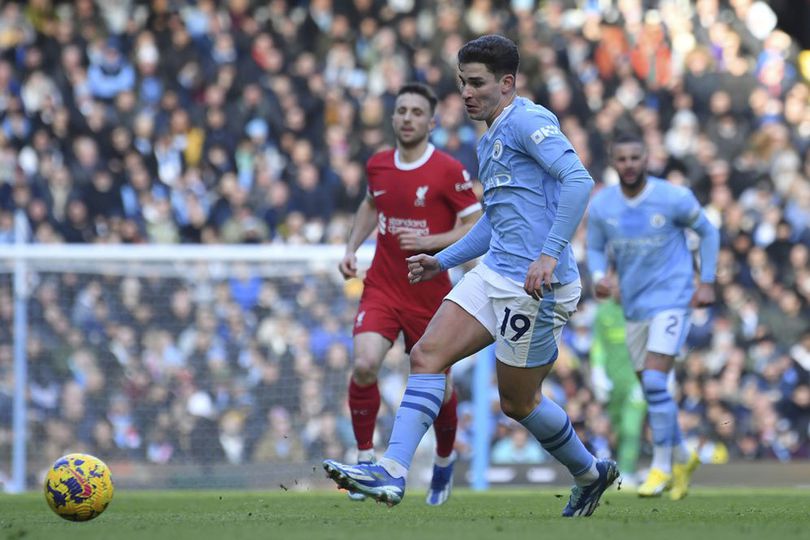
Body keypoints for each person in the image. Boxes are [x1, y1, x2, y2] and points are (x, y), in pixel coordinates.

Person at [324, 34, 618, 517]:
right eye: (462, 82)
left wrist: (548, 253)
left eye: (477, 83)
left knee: (519, 403)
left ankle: (590, 473)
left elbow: (579, 180)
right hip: (497, 271)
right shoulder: (490, 137)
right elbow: (495, 222)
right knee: (427, 355)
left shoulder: (529, 120)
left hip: (538, 288)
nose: (466, 93)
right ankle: (393, 472)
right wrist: (443, 259)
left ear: (507, 83)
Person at [338, 82, 482, 505]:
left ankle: (442, 461)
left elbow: (475, 224)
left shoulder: (449, 170)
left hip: (429, 292)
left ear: (431, 122)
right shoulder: (379, 165)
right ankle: (365, 458)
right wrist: (350, 248)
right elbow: (370, 205)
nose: (407, 117)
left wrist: (432, 241)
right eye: (401, 110)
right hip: (383, 285)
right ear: (393, 117)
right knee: (364, 364)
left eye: (417, 112)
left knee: (441, 389)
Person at [585, 132, 720, 500]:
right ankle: (683, 456)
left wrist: (706, 281)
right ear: (613, 162)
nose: (629, 165)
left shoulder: (672, 197)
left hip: (673, 300)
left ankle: (660, 466)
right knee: (652, 389)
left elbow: (708, 232)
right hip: (634, 307)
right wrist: (599, 278)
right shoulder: (603, 206)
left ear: (647, 159)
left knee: (657, 385)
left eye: (635, 158)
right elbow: (595, 248)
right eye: (622, 159)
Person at [589, 292, 646, 487]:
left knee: (631, 427)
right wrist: (597, 371)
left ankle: (628, 473)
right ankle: (622, 468)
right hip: (613, 383)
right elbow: (598, 344)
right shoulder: (603, 312)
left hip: (635, 380)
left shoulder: (640, 310)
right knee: (618, 429)